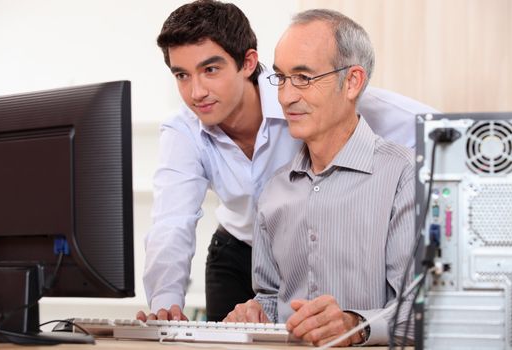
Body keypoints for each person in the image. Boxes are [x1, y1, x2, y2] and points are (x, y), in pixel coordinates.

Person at [138, 0, 434, 323]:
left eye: (210, 70)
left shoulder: (305, 97)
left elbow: (415, 124)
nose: (196, 92)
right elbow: (171, 223)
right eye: (181, 75)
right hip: (239, 246)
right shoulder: (185, 131)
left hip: (312, 237)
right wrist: (165, 306)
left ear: (248, 63)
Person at [224, 8, 415, 347]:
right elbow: (271, 295)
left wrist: (356, 324)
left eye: (304, 78)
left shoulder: (403, 176)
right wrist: (255, 311)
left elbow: (420, 307)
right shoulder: (275, 189)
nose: (286, 96)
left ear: (352, 82)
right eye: (281, 78)